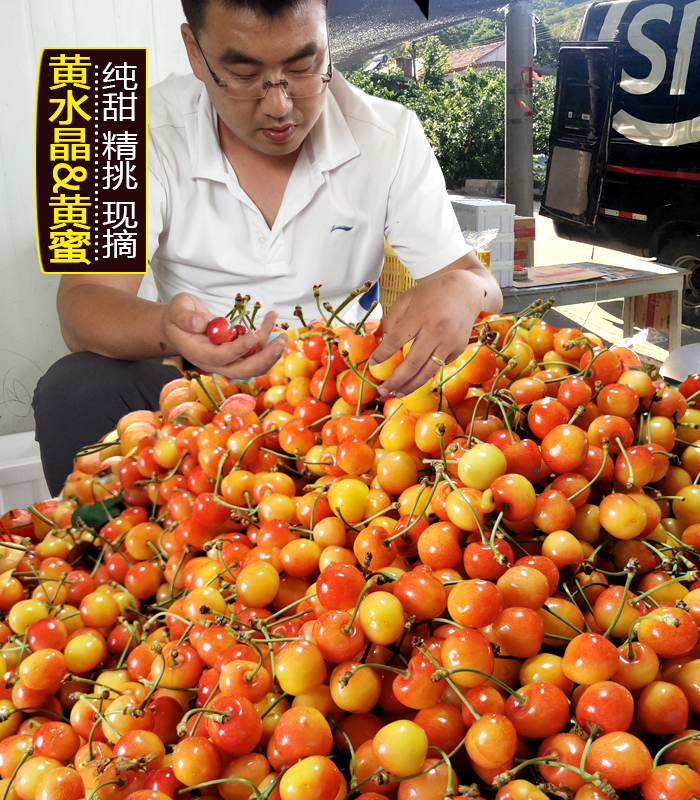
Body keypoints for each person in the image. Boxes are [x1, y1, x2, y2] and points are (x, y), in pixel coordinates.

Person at [33, 0, 503, 495]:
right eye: (242, 74)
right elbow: (80, 303)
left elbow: (479, 285)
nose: (280, 105)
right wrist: (166, 328)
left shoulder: (391, 135)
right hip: (195, 392)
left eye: (303, 67)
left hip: (345, 403)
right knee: (75, 387)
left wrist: (462, 290)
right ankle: (98, 546)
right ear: (195, 52)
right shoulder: (126, 128)